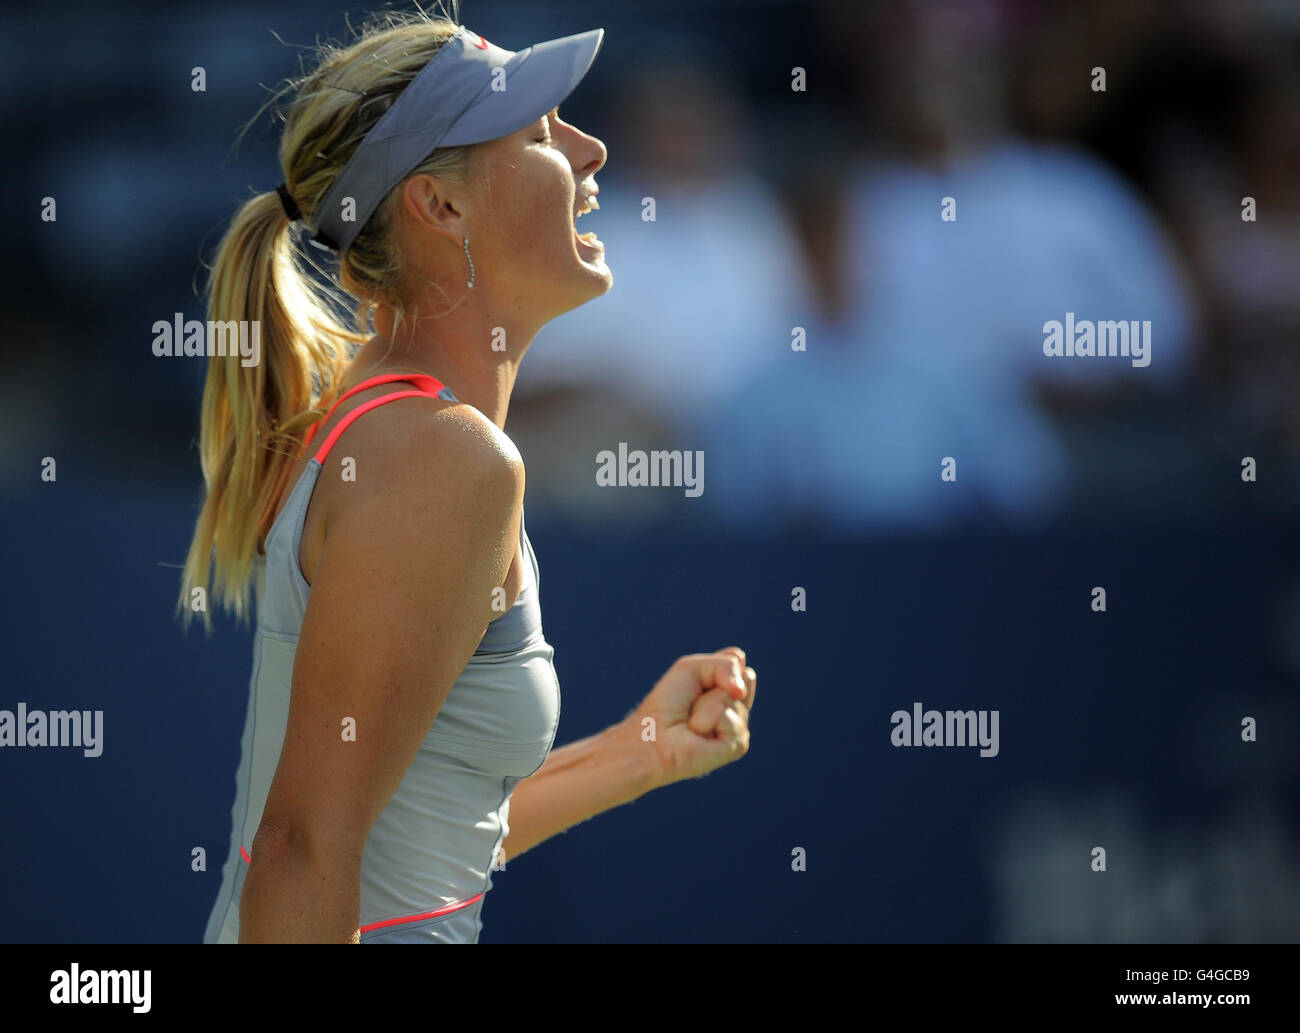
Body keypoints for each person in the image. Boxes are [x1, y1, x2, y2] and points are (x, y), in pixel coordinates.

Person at [177, 8, 756, 944]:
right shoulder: (444, 457)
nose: (591, 149)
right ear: (440, 208)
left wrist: (641, 750)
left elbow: (415, 841)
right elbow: (299, 850)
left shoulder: (393, 429)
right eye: (539, 134)